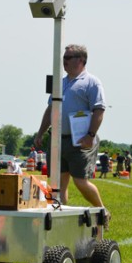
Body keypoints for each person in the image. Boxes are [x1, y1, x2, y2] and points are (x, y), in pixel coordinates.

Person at [34, 44, 110, 225]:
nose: (64, 61)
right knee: (57, 184)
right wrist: (40, 133)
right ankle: (59, 219)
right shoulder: (60, 83)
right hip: (58, 139)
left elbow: (99, 110)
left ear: (81, 60)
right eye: (64, 58)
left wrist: (90, 136)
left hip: (80, 141)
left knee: (80, 182)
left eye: (68, 58)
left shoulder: (92, 82)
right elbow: (50, 108)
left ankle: (102, 211)